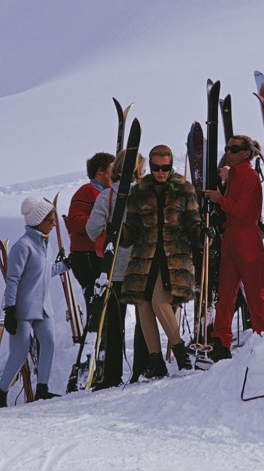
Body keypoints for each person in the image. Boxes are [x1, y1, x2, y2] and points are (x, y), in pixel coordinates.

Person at [121, 145, 200, 379]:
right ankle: (156, 362)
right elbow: (133, 229)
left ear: (171, 165)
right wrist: (119, 233)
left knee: (159, 302)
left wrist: (202, 236)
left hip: (174, 255)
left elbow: (193, 221)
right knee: (143, 303)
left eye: (165, 167)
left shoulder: (183, 188)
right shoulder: (139, 191)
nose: (161, 172)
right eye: (156, 168)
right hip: (145, 255)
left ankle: (182, 355)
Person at [0, 197, 71, 407]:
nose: (54, 224)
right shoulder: (23, 246)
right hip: (23, 309)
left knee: (49, 343)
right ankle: (0, 394)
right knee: (19, 353)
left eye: (54, 219)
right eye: (50, 220)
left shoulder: (47, 246)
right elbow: (13, 279)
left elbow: (46, 272)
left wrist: (66, 265)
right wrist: (10, 308)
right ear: (37, 220)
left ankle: (42, 389)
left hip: (44, 308)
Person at [204, 135, 264, 361]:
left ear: (246, 152)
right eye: (227, 148)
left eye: (234, 149)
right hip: (232, 235)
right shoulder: (235, 175)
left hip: (245, 235)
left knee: (255, 293)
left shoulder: (250, 177)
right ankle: (221, 341)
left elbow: (242, 211)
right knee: (225, 293)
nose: (229, 153)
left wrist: (219, 199)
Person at [85, 149, 149, 387]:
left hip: (115, 268)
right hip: (143, 265)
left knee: (114, 324)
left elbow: (92, 230)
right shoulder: (146, 193)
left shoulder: (107, 197)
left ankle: (112, 375)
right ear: (138, 169)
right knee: (145, 320)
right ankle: (142, 369)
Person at [66, 152, 115, 320]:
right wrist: (98, 222)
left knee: (105, 307)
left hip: (97, 254)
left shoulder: (108, 194)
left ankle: (104, 343)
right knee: (97, 306)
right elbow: (73, 221)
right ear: (100, 171)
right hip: (87, 255)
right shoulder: (88, 191)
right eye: (112, 170)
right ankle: (96, 342)